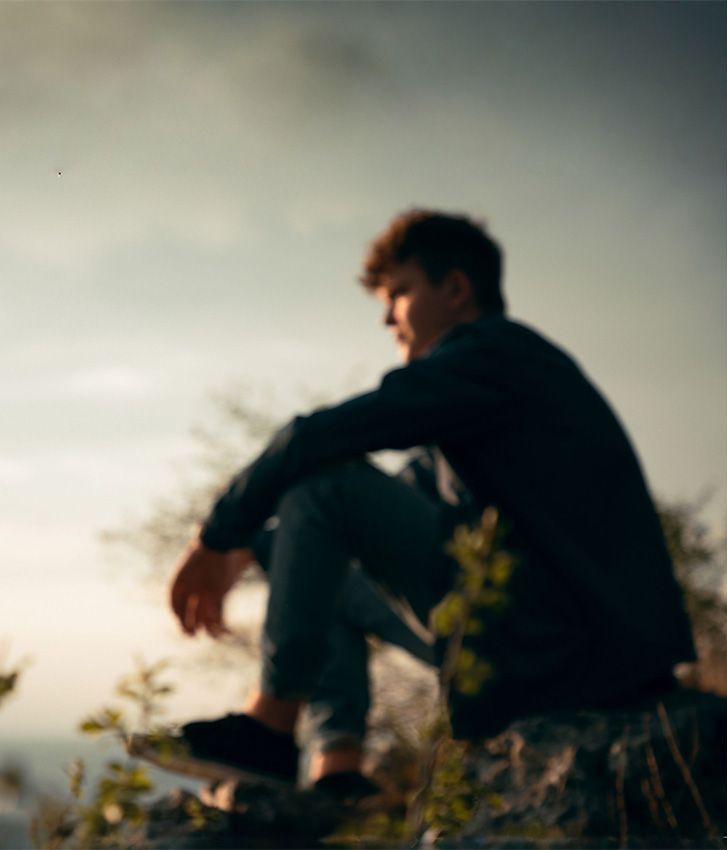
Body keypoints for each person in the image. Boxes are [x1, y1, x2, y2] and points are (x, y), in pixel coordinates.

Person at [166, 209, 697, 802]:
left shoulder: (493, 354)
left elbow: (318, 440)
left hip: (566, 648)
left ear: (456, 288)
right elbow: (361, 524)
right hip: (542, 639)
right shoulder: (476, 414)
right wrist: (255, 541)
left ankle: (268, 728)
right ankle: (337, 771)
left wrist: (214, 536)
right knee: (312, 541)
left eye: (399, 293)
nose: (386, 318)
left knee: (325, 487)